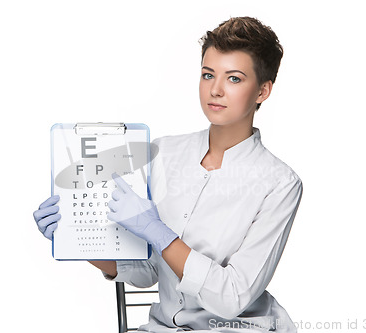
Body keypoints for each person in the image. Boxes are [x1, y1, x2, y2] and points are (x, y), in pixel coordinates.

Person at [34, 16, 303, 332]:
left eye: (234, 79)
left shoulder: (279, 183)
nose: (215, 90)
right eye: (207, 74)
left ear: (262, 91)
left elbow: (233, 297)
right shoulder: (164, 154)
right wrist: (75, 238)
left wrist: (156, 230)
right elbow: (147, 270)